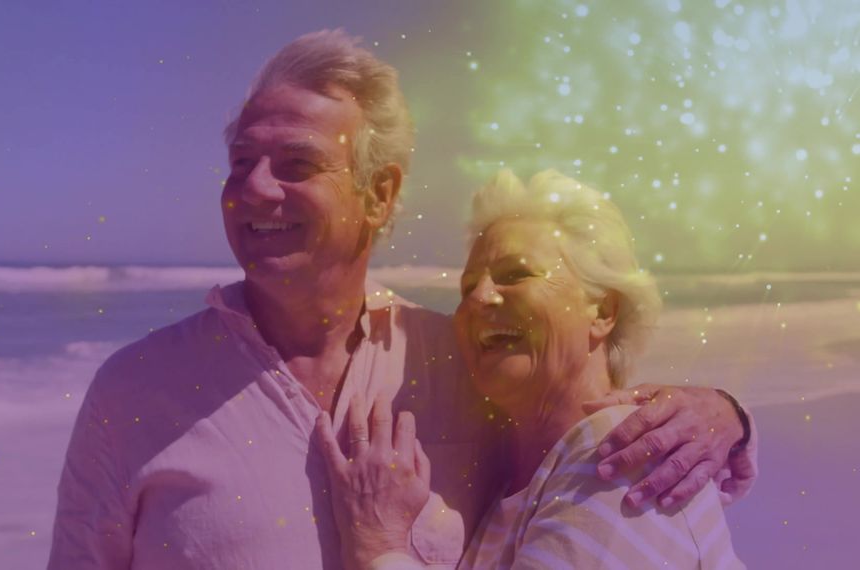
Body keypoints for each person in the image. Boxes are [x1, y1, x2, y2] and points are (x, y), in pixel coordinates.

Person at [48, 30, 755, 569]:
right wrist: (727, 417)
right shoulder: (134, 391)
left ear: (379, 194)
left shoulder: (463, 361)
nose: (254, 188)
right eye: (241, 163)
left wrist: (720, 416)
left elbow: (583, 430)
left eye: (296, 164)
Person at [318, 170, 746, 569]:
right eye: (468, 287)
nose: (479, 298)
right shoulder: (517, 485)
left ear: (602, 310)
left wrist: (381, 545)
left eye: (516, 274)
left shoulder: (621, 453)